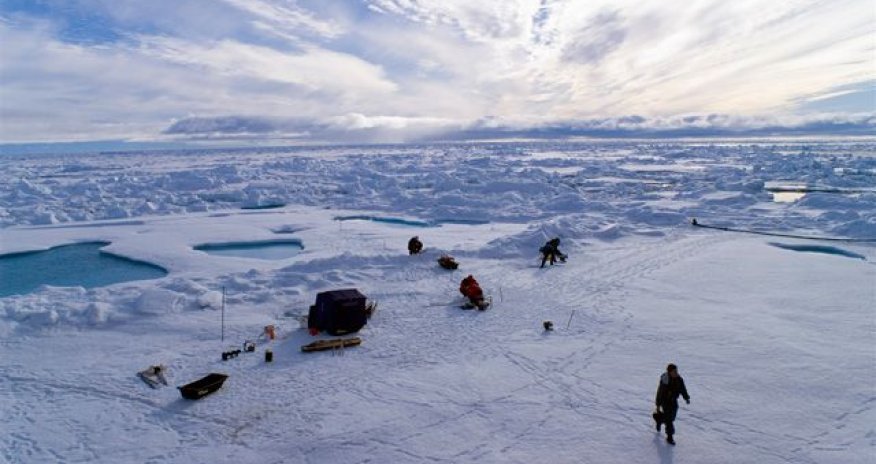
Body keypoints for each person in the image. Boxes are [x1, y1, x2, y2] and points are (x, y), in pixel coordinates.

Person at [654, 363, 690, 445]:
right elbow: (660, 392)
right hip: (665, 401)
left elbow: (683, 389)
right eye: (674, 371)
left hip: (674, 401)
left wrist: (686, 397)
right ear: (669, 372)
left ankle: (659, 420)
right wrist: (658, 404)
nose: (676, 373)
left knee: (672, 418)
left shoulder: (679, 379)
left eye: (676, 371)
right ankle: (670, 437)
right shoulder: (665, 380)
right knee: (669, 420)